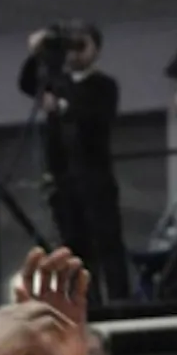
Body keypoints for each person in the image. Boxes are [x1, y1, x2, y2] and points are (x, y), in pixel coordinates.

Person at [19, 21, 130, 303]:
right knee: (74, 246)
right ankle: (85, 302)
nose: (75, 54)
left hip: (95, 174)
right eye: (71, 46)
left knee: (106, 241)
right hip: (63, 176)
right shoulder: (57, 83)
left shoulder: (104, 85)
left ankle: (119, 301)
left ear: (96, 49)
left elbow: (95, 116)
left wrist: (63, 106)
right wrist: (38, 51)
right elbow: (27, 83)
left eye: (82, 46)